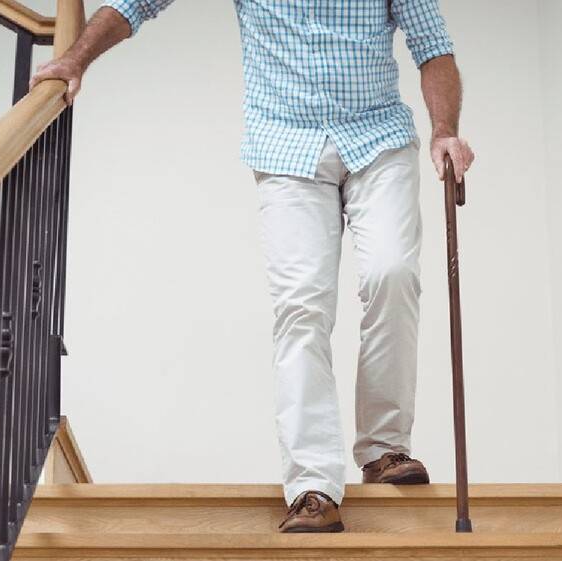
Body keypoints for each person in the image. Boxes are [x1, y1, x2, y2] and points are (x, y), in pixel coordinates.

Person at [30, 0, 475, 533]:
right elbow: (136, 3)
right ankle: (313, 484)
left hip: (378, 139)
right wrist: (77, 59)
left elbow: (433, 47)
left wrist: (444, 129)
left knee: (393, 274)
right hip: (285, 147)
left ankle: (384, 451)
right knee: (302, 306)